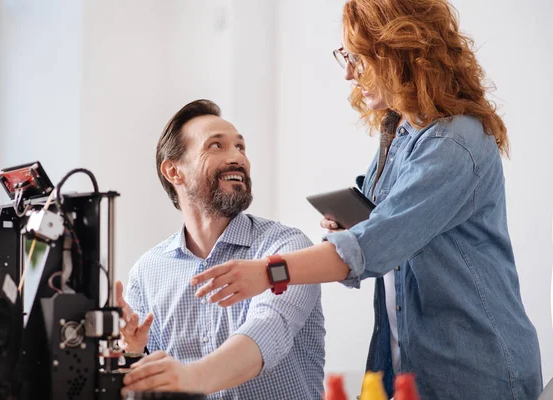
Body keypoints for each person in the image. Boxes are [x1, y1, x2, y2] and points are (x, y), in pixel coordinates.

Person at [190, 1, 543, 398]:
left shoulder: (453, 143)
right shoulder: (401, 133)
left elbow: (370, 247)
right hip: (405, 364)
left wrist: (267, 273)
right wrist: (355, 223)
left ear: (400, 53)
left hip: (475, 374)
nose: (347, 72)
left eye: (356, 57)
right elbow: (379, 226)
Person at [116, 99, 325, 399]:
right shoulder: (147, 272)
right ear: (174, 171)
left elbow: (268, 330)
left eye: (240, 147)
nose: (238, 158)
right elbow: (148, 382)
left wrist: (193, 377)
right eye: (216, 146)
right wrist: (134, 352)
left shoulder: (286, 250)